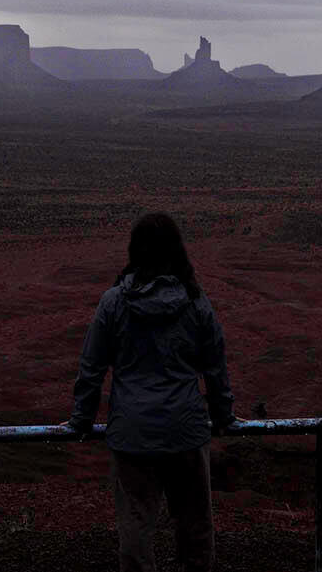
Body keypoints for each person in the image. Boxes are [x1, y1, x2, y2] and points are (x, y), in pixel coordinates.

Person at [63, 212, 240, 572]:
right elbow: (216, 367)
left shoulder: (113, 303)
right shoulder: (195, 302)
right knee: (195, 533)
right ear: (177, 251)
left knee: (135, 532)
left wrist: (81, 420)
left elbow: (91, 367)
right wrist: (223, 416)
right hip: (186, 433)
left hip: (133, 437)